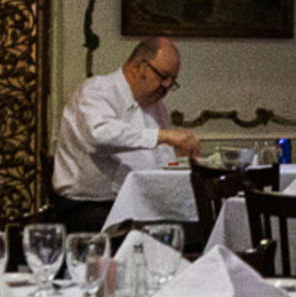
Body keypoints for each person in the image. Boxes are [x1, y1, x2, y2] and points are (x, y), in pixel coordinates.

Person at [49, 35, 201, 231]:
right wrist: (163, 136)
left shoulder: (156, 106)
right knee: (158, 235)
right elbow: (100, 135)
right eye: (163, 76)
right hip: (88, 205)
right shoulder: (96, 91)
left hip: (140, 203)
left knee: (198, 222)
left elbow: (161, 162)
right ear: (139, 66)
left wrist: (183, 162)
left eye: (172, 82)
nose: (166, 87)